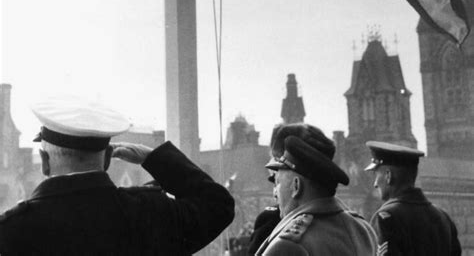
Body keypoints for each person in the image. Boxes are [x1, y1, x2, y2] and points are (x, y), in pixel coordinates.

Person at [0, 95, 234, 255]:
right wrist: (155, 159)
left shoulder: (11, 230)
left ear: (44, 162)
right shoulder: (150, 213)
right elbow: (218, 204)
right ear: (108, 158)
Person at [254, 123, 377, 255]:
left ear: (296, 186)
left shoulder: (288, 246)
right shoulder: (362, 229)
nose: (275, 192)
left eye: (277, 183)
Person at [365, 140, 461, 256]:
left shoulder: (386, 218)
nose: (375, 183)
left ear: (388, 176)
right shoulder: (443, 217)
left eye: (376, 175)